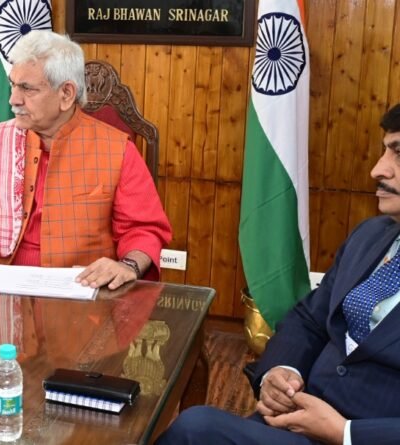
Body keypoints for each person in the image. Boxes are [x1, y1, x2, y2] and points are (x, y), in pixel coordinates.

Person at [156, 103, 400, 445]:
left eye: (398, 154)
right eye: (384, 151)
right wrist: (282, 369)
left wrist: (346, 433)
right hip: (293, 417)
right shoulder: (370, 235)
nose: (377, 170)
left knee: (195, 429)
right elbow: (310, 320)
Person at [0, 31, 171, 289]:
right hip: (1, 294)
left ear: (66, 94)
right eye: (12, 85)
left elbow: (143, 229)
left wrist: (127, 266)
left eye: (27, 88)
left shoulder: (117, 149)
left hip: (82, 296)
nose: (13, 99)